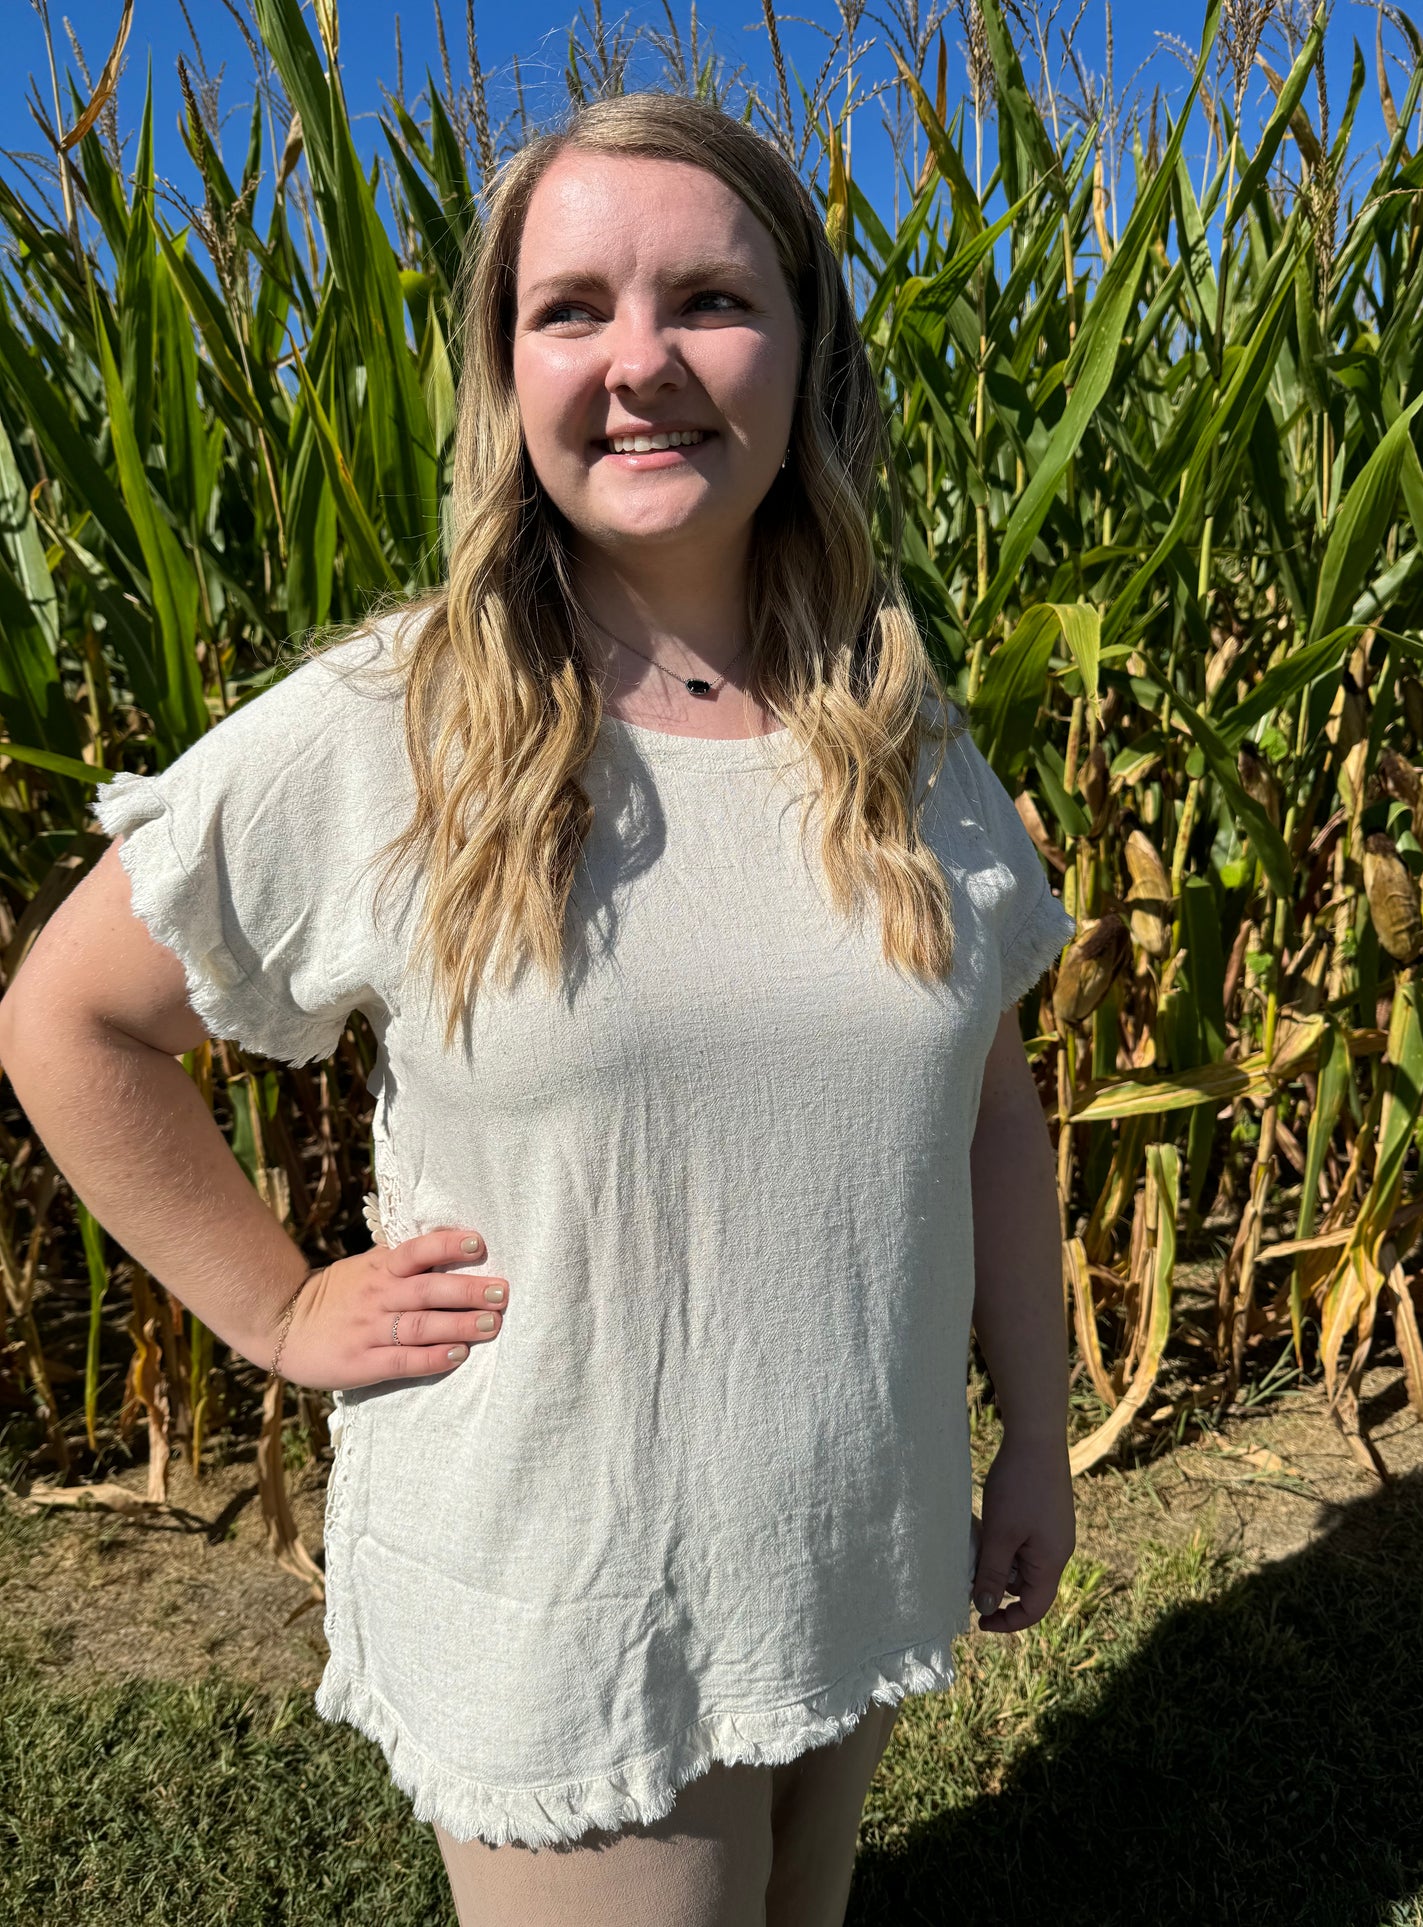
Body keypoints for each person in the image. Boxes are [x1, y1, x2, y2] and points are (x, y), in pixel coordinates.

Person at [0, 89, 1078, 1927]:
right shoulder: (397, 724)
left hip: (849, 1533)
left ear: (805, 351)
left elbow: (985, 1106)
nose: (639, 360)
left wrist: (1037, 1434)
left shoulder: (898, 740)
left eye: (709, 301)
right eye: (571, 308)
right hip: (573, 1577)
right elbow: (67, 1018)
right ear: (508, 372)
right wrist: (276, 1305)